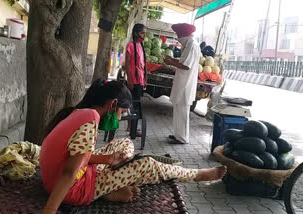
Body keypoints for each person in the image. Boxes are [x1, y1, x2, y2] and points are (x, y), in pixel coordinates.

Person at [40, 78, 227, 214]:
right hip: (73, 189)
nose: (120, 118)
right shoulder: (90, 120)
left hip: (70, 178)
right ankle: (196, 175)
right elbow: (69, 172)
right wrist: (49, 210)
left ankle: (110, 188)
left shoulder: (82, 113)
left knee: (125, 143)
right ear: (113, 104)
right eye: (121, 112)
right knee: (147, 165)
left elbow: (76, 156)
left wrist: (107, 159)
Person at [164, 23, 202, 144]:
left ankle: (183, 138)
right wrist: (173, 61)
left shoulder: (192, 45)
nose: (178, 39)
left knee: (183, 111)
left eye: (178, 35)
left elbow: (185, 65)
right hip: (182, 82)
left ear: (183, 35)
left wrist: (171, 62)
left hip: (186, 84)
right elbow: (183, 61)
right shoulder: (189, 44)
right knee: (178, 109)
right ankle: (177, 134)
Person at [125, 24, 148, 136]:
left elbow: (143, 65)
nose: (144, 35)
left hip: (140, 80)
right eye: (142, 33)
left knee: (136, 104)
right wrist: (129, 79)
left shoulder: (140, 46)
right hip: (133, 80)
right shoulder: (130, 46)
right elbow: (128, 64)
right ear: (136, 33)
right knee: (132, 104)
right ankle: (131, 129)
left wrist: (145, 79)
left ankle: (132, 128)